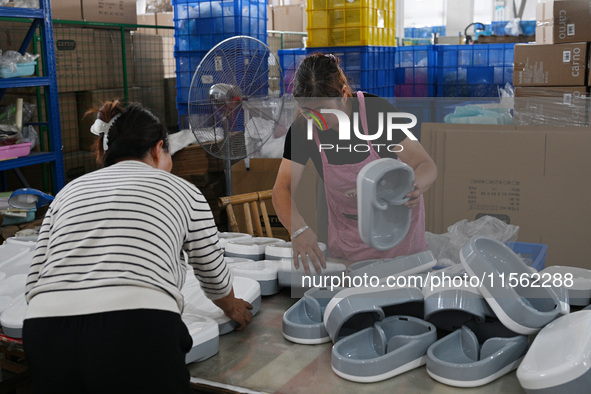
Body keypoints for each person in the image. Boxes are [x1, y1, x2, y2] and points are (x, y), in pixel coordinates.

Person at [23, 100, 253, 393]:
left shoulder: (69, 191)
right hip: (137, 327)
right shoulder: (183, 191)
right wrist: (231, 306)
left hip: (45, 332)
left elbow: (34, 282)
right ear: (159, 149)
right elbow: (212, 273)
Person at [272, 53, 437, 274]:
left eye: (323, 111)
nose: (316, 120)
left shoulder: (376, 112)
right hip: (350, 250)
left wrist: (415, 186)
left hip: (400, 243)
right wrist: (298, 229)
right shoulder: (303, 130)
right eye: (307, 112)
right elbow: (282, 188)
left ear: (343, 95)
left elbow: (425, 164)